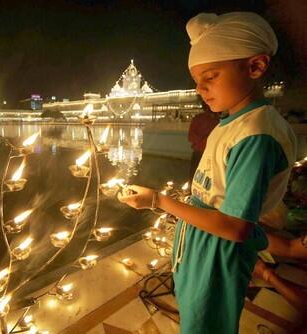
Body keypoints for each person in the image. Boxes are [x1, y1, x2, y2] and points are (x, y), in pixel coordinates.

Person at [118, 12, 297, 334]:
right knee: (195, 312)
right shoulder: (233, 122)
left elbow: (235, 228)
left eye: (211, 76)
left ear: (255, 67)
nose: (201, 89)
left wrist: (157, 199)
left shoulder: (256, 136)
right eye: (197, 81)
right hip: (203, 240)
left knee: (206, 323)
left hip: (218, 252)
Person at [187, 100, 220, 178]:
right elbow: (191, 136)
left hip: (212, 154)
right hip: (201, 153)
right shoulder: (199, 118)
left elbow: (191, 137)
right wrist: (207, 140)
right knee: (195, 178)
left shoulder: (219, 120)